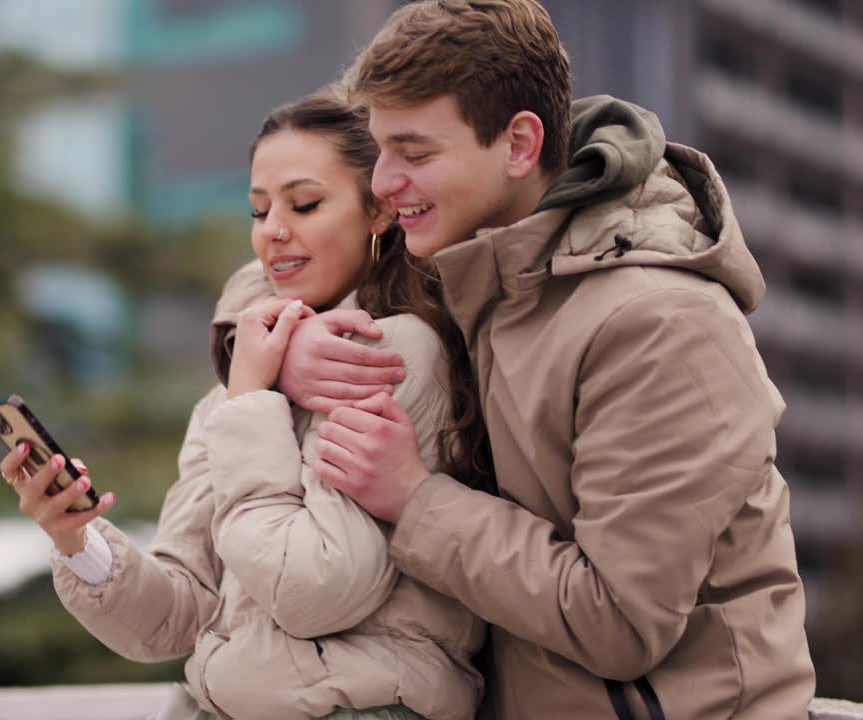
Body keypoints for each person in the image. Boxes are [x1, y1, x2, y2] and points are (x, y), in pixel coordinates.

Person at [229, 1, 816, 719]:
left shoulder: (659, 324)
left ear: (518, 145)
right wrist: (286, 349)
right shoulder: (470, 258)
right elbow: (281, 266)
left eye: (414, 154)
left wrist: (415, 500)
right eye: (380, 150)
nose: (383, 183)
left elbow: (620, 622)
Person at [0, 93, 488, 720]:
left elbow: (314, 590)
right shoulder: (235, 392)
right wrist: (77, 538)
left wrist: (254, 399)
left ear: (377, 211)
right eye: (259, 210)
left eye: (304, 203)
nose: (273, 230)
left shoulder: (390, 353)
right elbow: (180, 616)